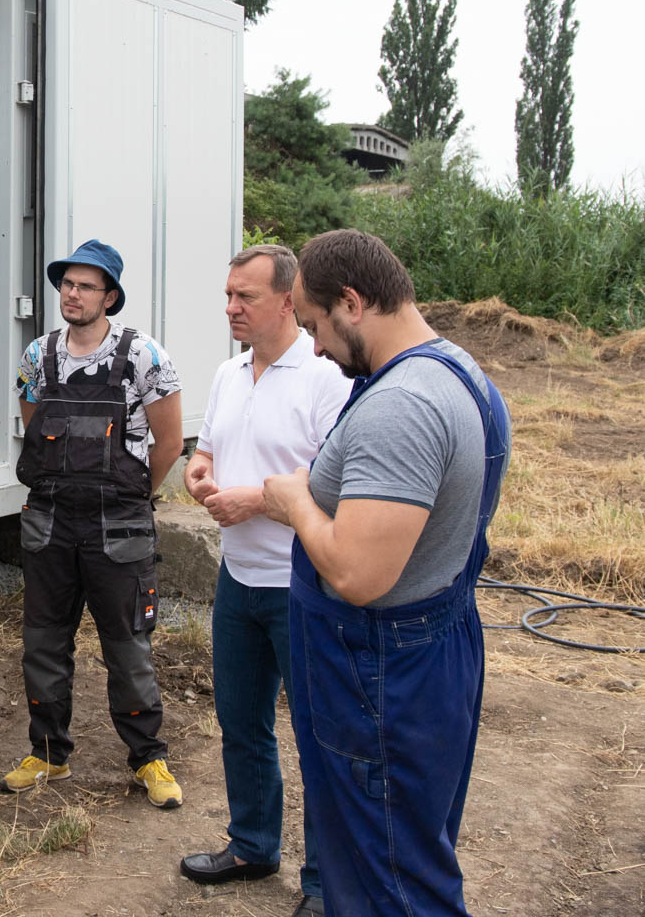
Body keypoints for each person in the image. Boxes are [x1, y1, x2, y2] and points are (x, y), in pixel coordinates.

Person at [262, 229, 510, 916]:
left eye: (314, 326)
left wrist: (294, 504)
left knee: (392, 878)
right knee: (398, 851)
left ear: (351, 302)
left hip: (377, 673)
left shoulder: (402, 406)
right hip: (427, 656)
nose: (313, 346)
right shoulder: (458, 369)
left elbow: (357, 574)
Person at [177, 246, 351, 917]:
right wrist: (200, 472)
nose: (230, 308)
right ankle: (252, 845)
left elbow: (335, 483)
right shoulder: (227, 373)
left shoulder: (326, 379)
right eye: (227, 295)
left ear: (287, 302)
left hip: (301, 584)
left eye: (244, 297)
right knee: (241, 722)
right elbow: (212, 448)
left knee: (317, 735)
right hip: (237, 580)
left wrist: (255, 500)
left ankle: (324, 883)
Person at [7, 239, 185, 806]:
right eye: (66, 284)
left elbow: (170, 442)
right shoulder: (38, 356)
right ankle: (48, 754)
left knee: (128, 647)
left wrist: (134, 497)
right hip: (51, 522)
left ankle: (148, 761)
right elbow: (35, 428)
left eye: (85, 286)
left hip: (120, 526)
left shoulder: (144, 357)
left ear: (110, 296)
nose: (72, 294)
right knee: (43, 643)